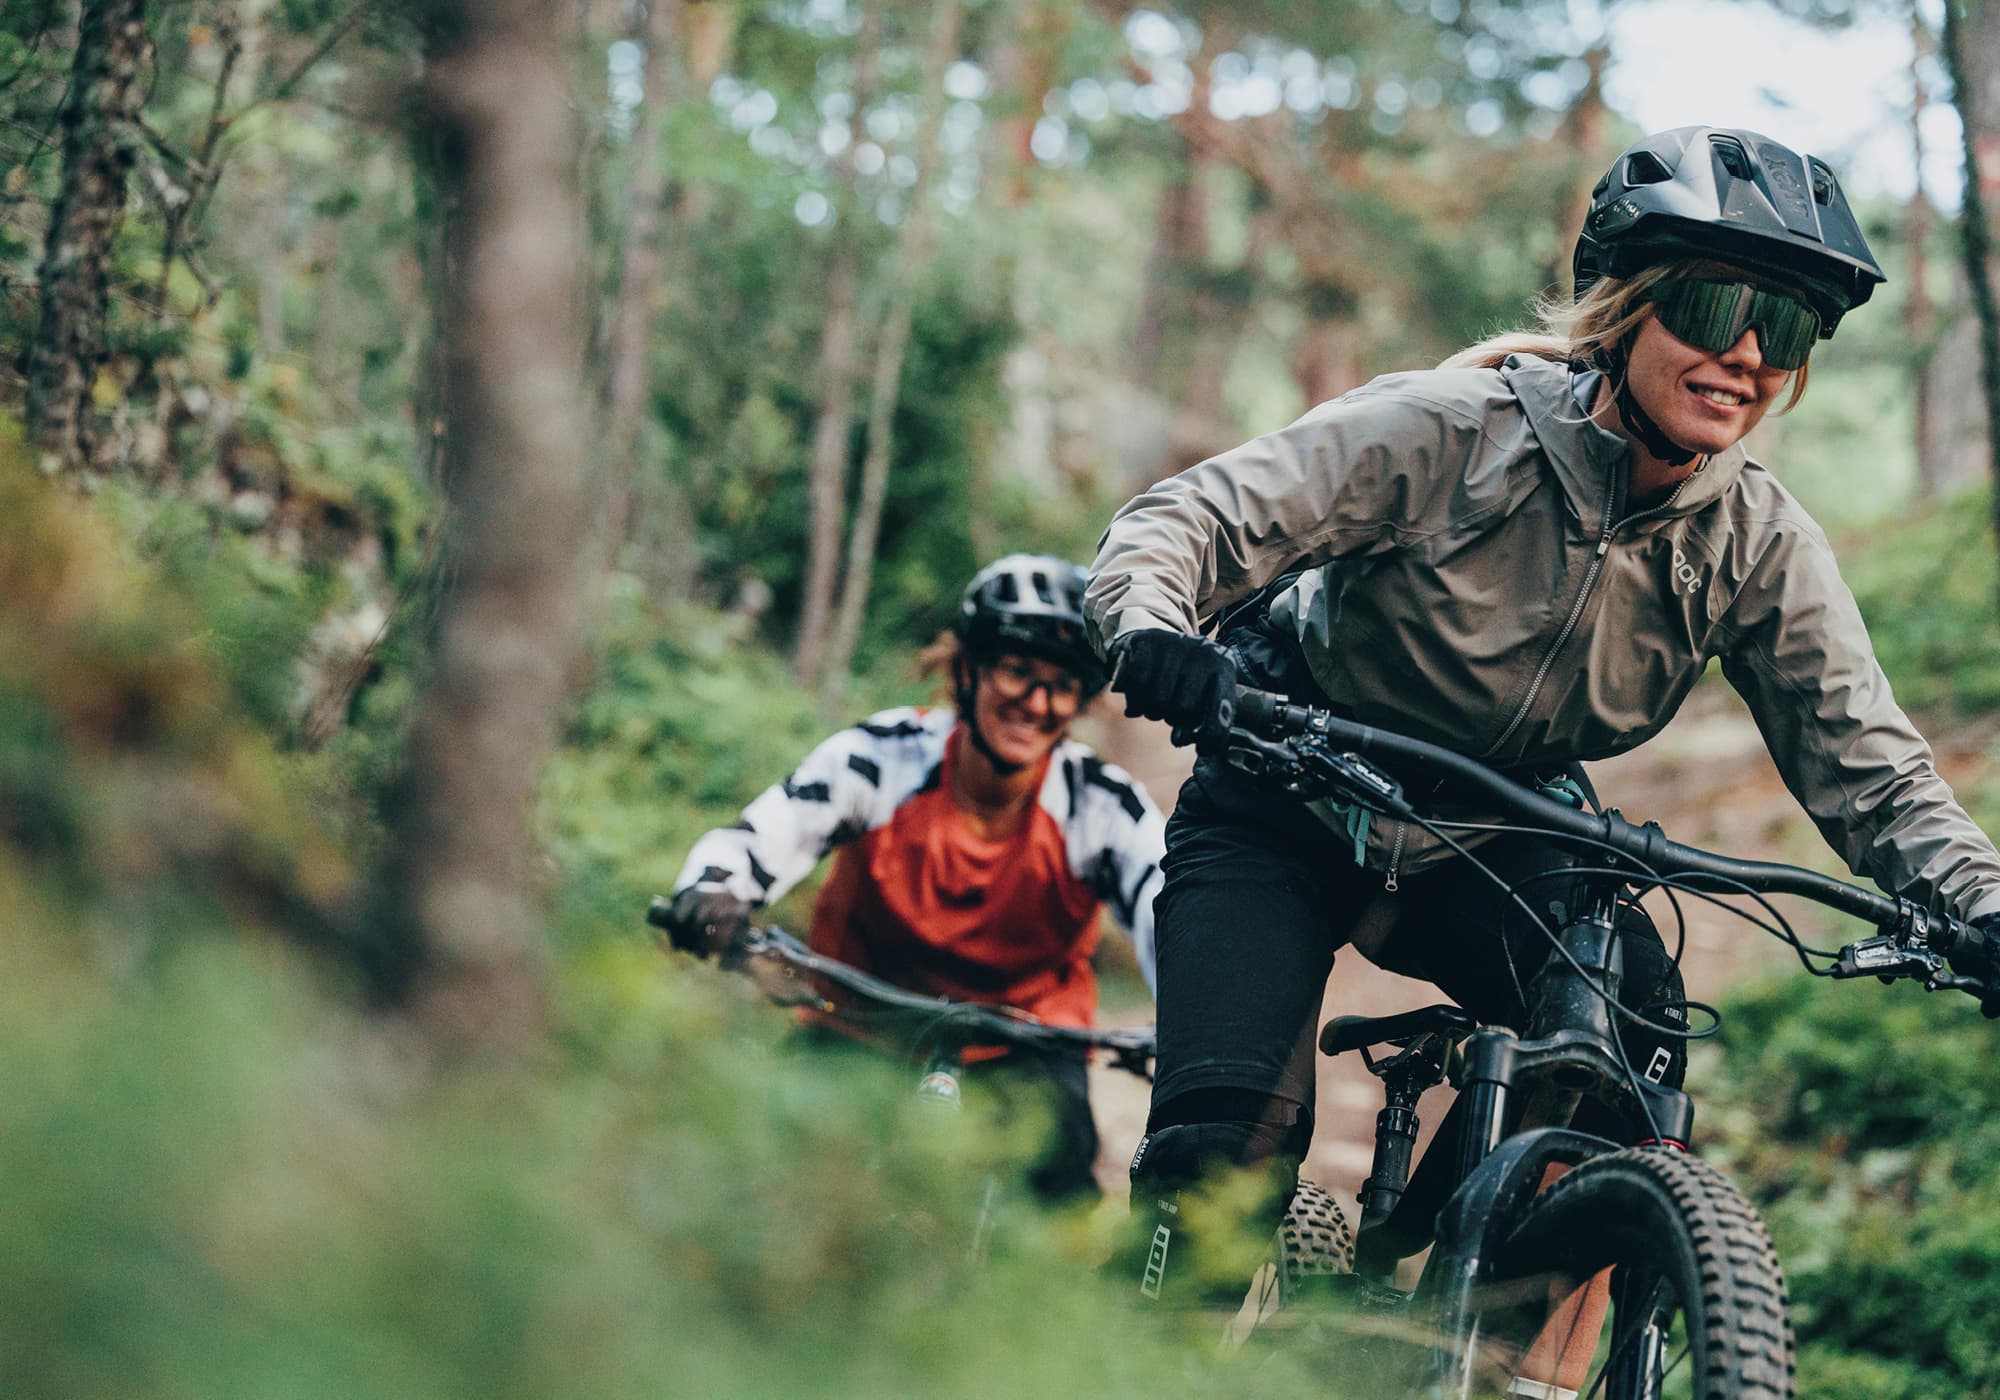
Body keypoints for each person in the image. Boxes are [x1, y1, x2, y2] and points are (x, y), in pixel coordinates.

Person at [1085, 126, 2000, 1340]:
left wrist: (1980, 904)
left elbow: (1872, 769)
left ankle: (1461, 1334)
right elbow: (1194, 516)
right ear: (1621, 310)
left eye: (1778, 331)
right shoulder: (1449, 430)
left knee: (1628, 1046)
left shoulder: (1757, 544)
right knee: (1220, 1147)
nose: (1740, 353)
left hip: (1492, 818)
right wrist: (1153, 630)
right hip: (1284, 795)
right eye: (1713, 307)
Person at [661, 554, 1167, 1201]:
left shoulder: (1099, 804)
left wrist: (1199, 1012)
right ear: (967, 668)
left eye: (1062, 684)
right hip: (857, 1026)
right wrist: (712, 889)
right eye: (1017, 670)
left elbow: (1167, 907)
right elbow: (771, 830)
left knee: (1057, 1214)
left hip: (1032, 1046)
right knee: (771, 1198)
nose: (1036, 703)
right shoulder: (881, 757)